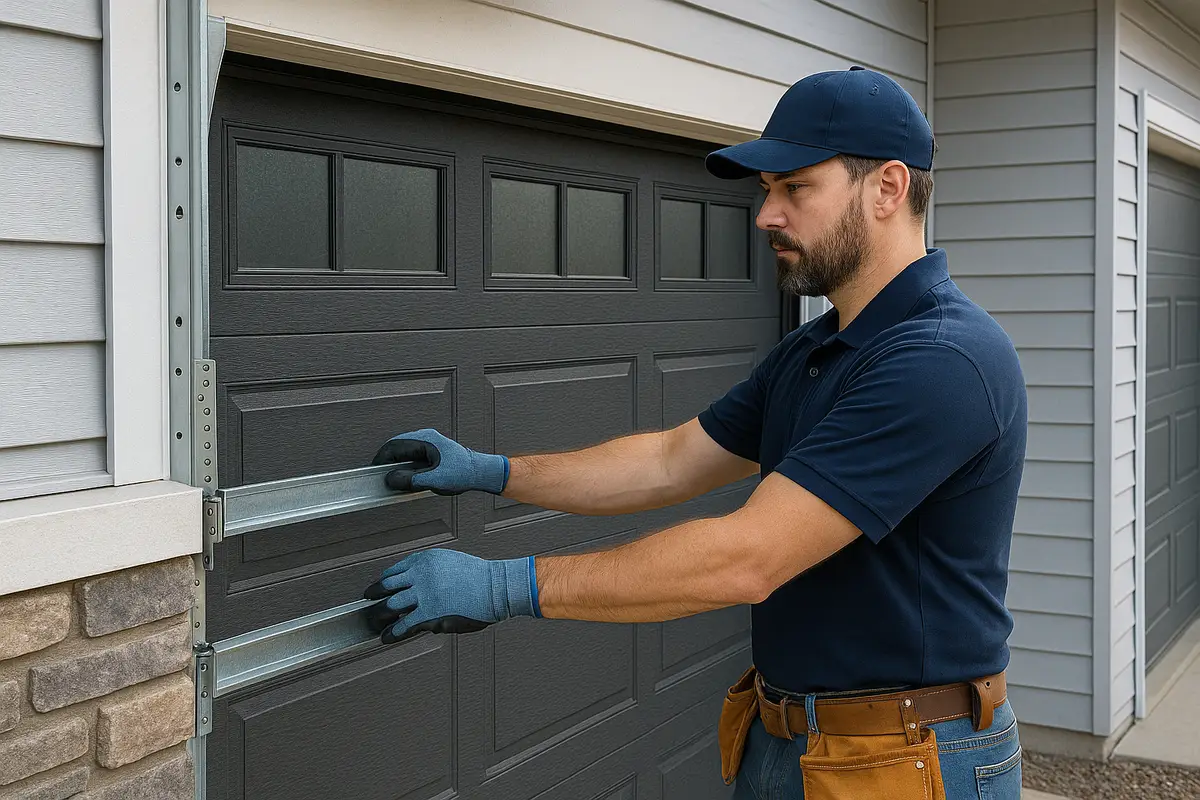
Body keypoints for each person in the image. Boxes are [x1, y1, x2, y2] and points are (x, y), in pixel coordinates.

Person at [362, 66, 1028, 800]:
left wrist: (503, 585)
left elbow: (748, 557)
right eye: (766, 191)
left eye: (794, 188)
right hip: (788, 738)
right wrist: (494, 470)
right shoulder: (815, 353)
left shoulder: (941, 361)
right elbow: (671, 462)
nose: (765, 215)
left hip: (908, 761)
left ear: (889, 187)